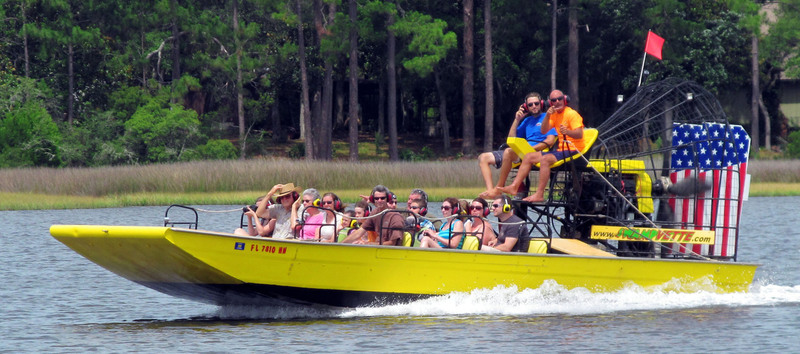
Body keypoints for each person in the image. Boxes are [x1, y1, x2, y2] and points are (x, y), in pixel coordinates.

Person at [498, 89, 585, 202]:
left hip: (574, 149)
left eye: (559, 99)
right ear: (550, 103)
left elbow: (579, 134)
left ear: (565, 100)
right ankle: (514, 187)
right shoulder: (553, 115)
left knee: (545, 159)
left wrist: (567, 132)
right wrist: (548, 116)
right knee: (529, 156)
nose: (557, 102)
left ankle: (539, 194)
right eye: (554, 100)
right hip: (561, 150)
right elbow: (544, 131)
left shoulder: (571, 114)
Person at [479, 92, 557, 199]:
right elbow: (511, 139)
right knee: (483, 157)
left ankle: (498, 188)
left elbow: (550, 141)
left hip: (535, 152)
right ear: (526, 107)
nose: (534, 106)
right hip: (519, 151)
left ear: (541, 104)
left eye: (536, 103)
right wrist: (517, 119)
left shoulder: (548, 117)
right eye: (530, 105)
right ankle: (490, 190)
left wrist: (530, 148)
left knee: (508, 151)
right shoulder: (527, 120)